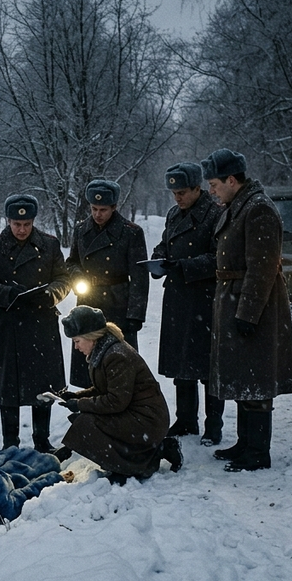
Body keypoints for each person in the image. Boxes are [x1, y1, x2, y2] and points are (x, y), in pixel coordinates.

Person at [202, 148, 292, 472]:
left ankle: (257, 452)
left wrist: (248, 313)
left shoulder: (258, 210)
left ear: (232, 180)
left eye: (214, 184)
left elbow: (262, 268)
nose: (211, 191)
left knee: (256, 380)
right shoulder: (239, 206)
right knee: (244, 377)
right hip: (235, 298)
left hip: (253, 304)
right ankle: (245, 443)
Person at [0, 194, 73, 452]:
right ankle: (10, 443)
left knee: (42, 389)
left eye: (26, 224)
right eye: (16, 224)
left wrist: (50, 294)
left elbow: (63, 279)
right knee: (8, 390)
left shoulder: (49, 245)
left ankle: (41, 441)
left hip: (41, 322)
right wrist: (9, 293)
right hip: (9, 324)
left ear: (33, 221)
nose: (21, 230)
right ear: (8, 221)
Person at [53, 306, 182, 484]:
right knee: (86, 418)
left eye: (77, 341)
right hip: (136, 414)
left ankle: (132, 466)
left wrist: (81, 404)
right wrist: (75, 397)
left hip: (148, 421)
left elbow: (115, 401)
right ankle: (149, 453)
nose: (76, 347)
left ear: (91, 337)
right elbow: (105, 389)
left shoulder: (116, 356)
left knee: (87, 422)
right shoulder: (103, 351)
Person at [150, 162, 225, 446]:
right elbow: (165, 244)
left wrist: (182, 266)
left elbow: (219, 258)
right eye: (173, 193)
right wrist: (158, 258)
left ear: (198, 188)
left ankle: (213, 425)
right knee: (181, 363)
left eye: (182, 192)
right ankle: (185, 419)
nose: (177, 198)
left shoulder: (215, 215)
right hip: (178, 298)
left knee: (207, 367)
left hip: (204, 300)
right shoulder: (174, 214)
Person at [65, 179, 150, 389]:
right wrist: (78, 278)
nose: (97, 214)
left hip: (118, 302)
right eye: (94, 208)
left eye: (103, 209)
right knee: (88, 365)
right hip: (88, 303)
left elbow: (139, 277)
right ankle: (87, 411)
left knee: (118, 367)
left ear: (114, 207)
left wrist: (136, 315)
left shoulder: (131, 232)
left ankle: (118, 415)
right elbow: (71, 262)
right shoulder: (81, 230)